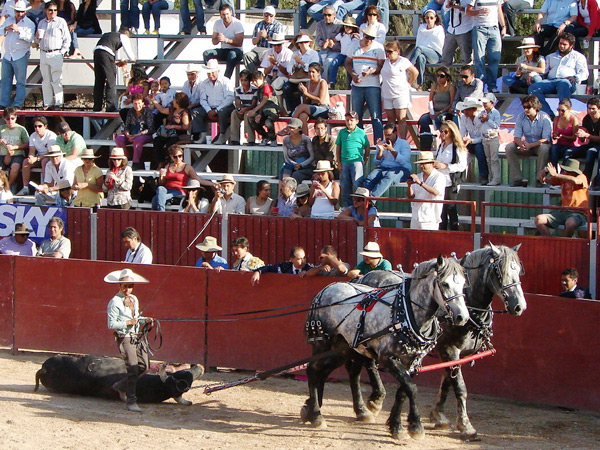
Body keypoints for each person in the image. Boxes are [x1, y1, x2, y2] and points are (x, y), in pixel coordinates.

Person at [105, 268, 153, 412]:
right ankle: (131, 401)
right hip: (124, 337)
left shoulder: (134, 299)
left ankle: (120, 386)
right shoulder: (114, 302)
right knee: (132, 367)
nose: (127, 289)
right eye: (125, 286)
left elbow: (136, 318)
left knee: (144, 366)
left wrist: (145, 320)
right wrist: (128, 323)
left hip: (135, 336)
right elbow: (111, 324)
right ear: (119, 286)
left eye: (130, 286)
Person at [528, 33, 589, 119]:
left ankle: (563, 115)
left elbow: (584, 73)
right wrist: (533, 73)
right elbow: (543, 71)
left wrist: (575, 77)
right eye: (560, 43)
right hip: (551, 81)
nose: (561, 46)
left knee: (563, 83)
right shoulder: (550, 56)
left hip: (567, 81)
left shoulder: (578, 57)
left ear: (571, 46)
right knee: (533, 87)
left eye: (564, 44)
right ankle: (549, 115)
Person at [345, 24, 385, 142]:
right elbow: (347, 62)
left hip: (373, 85)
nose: (369, 40)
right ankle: (359, 141)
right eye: (367, 37)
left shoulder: (378, 48)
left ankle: (378, 143)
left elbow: (381, 67)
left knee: (375, 115)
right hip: (357, 85)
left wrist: (373, 71)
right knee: (356, 116)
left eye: (372, 38)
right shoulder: (354, 45)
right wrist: (353, 74)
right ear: (363, 35)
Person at [505, 95, 552, 187]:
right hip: (527, 146)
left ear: (535, 107)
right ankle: (517, 179)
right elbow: (517, 136)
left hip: (538, 146)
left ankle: (540, 179)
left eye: (528, 107)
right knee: (509, 147)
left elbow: (546, 139)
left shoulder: (545, 117)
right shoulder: (520, 117)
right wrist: (521, 144)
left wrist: (530, 145)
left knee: (544, 148)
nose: (525, 109)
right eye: (524, 107)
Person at [152, 145, 215, 211]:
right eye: (175, 157)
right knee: (160, 189)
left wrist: (213, 184)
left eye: (180, 156)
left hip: (179, 191)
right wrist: (162, 176)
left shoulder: (187, 167)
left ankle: (160, 214)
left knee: (155, 199)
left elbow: (198, 179)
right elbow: (161, 183)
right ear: (171, 156)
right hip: (166, 190)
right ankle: (161, 213)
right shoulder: (168, 166)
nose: (178, 159)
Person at [535, 160, 588, 237]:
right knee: (539, 219)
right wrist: (543, 174)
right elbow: (544, 181)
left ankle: (564, 244)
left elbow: (576, 181)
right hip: (563, 211)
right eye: (565, 170)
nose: (565, 172)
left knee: (570, 223)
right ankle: (549, 242)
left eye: (568, 171)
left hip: (579, 212)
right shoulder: (562, 176)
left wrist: (556, 175)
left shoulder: (582, 177)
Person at [36, 2, 70, 110]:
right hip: (43, 52)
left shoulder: (60, 22)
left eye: (55, 10)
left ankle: (58, 103)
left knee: (57, 79)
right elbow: (36, 40)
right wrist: (37, 38)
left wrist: (62, 51)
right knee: (46, 79)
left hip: (56, 52)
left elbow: (67, 38)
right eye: (50, 10)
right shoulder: (41, 23)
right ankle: (48, 102)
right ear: (46, 10)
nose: (53, 12)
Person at [434, 120, 468, 230]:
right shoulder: (440, 146)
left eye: (446, 131)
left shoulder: (457, 147)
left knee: (451, 209)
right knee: (440, 211)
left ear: (452, 132)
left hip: (450, 182)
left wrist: (446, 166)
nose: (442, 134)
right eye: (441, 131)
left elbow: (462, 165)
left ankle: (454, 233)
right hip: (439, 181)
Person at [0, 0, 34, 108]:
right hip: (8, 54)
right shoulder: (9, 20)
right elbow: (1, 30)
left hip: (20, 54)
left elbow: (30, 39)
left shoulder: (29, 24)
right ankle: (3, 103)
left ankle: (18, 104)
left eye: (22, 12)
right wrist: (6, 28)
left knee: (20, 82)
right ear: (14, 11)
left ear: (25, 12)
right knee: (5, 81)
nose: (19, 14)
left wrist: (18, 30)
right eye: (18, 11)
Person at [93, 26, 135, 112]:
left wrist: (114, 62)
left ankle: (97, 106)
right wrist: (134, 60)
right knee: (111, 80)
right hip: (106, 53)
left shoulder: (109, 35)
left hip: (97, 52)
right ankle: (110, 106)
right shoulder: (123, 36)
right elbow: (129, 53)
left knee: (99, 81)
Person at [466, 0, 506, 93]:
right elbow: (468, 11)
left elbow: (499, 10)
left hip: (494, 28)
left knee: (495, 58)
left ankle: (492, 85)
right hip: (480, 28)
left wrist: (503, 26)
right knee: (479, 58)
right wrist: (479, 12)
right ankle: (481, 85)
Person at [363, 123, 411, 198]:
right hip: (384, 168)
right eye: (385, 135)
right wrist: (380, 151)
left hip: (401, 169)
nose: (387, 137)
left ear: (395, 133)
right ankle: (363, 198)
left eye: (389, 135)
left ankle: (371, 199)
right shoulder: (382, 143)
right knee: (370, 177)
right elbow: (376, 162)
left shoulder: (404, 143)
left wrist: (391, 150)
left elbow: (404, 161)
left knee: (389, 175)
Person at [381, 40, 417, 140]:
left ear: (397, 51)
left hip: (400, 93)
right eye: (387, 51)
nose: (388, 54)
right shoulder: (386, 61)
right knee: (390, 119)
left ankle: (402, 140)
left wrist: (409, 83)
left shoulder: (403, 61)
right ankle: (391, 138)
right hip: (387, 93)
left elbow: (414, 72)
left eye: (390, 51)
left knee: (401, 118)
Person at [194, 59, 234, 145]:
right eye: (209, 73)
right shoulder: (204, 83)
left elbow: (229, 98)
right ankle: (202, 134)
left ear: (218, 71)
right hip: (210, 107)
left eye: (213, 72)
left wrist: (216, 110)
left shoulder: (226, 81)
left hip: (224, 107)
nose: (211, 75)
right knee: (196, 112)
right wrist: (208, 110)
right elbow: (203, 99)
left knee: (222, 112)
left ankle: (222, 135)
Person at [336, 111, 371, 206]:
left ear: (357, 121)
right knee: (345, 185)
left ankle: (358, 205)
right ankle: (347, 206)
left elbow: (367, 146)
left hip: (356, 161)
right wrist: (338, 162)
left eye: (351, 120)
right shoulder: (342, 132)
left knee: (357, 184)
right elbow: (338, 147)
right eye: (347, 120)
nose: (349, 122)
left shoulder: (361, 133)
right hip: (344, 161)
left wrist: (366, 158)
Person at [281, 33, 320, 115]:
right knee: (286, 87)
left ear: (309, 43)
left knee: (301, 90)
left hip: (309, 79)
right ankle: (292, 111)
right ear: (298, 44)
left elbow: (314, 68)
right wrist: (294, 66)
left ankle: (302, 110)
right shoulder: (294, 54)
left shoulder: (314, 53)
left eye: (306, 42)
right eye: (301, 43)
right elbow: (289, 69)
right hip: (296, 79)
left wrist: (301, 62)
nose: (304, 44)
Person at [202, 4, 244, 79]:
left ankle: (225, 80)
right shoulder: (217, 23)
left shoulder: (237, 23)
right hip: (224, 51)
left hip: (237, 51)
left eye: (227, 14)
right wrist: (218, 38)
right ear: (220, 15)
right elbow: (214, 42)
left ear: (231, 12)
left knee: (232, 54)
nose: (226, 17)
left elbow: (239, 43)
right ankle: (212, 75)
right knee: (206, 53)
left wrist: (226, 40)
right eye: (223, 15)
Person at [407, 151, 446, 230]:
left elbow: (436, 192)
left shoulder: (439, 177)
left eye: (424, 163)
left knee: (429, 242)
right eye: (420, 164)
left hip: (430, 218)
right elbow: (411, 196)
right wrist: (409, 186)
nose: (422, 166)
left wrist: (420, 183)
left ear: (431, 163)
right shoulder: (418, 176)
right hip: (416, 216)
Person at [19, 116, 57, 196]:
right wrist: (31, 157)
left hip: (49, 157)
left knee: (44, 162)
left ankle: (46, 187)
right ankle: (25, 188)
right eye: (35, 126)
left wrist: (37, 158)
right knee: (26, 161)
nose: (37, 128)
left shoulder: (51, 136)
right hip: (38, 157)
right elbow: (32, 150)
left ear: (45, 126)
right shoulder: (33, 136)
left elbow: (50, 153)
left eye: (40, 126)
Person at [150, 91, 190, 169]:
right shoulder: (172, 110)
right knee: (157, 141)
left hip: (178, 133)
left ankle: (170, 161)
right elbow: (161, 110)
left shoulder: (184, 113)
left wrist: (173, 126)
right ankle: (160, 162)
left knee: (170, 143)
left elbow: (186, 126)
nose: (173, 100)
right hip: (168, 133)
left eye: (174, 99)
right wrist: (153, 101)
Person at [565, 97, 600, 184]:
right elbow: (583, 139)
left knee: (590, 152)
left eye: (593, 109)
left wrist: (586, 135)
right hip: (590, 144)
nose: (591, 111)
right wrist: (580, 135)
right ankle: (565, 179)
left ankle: (586, 181)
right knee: (569, 151)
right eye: (589, 108)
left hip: (598, 146)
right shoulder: (587, 118)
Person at [115, 93, 155, 170]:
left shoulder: (148, 111)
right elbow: (126, 126)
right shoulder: (130, 111)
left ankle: (136, 162)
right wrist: (127, 135)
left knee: (137, 140)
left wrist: (138, 135)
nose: (137, 106)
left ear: (143, 103)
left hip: (144, 134)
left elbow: (150, 128)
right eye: (135, 103)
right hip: (132, 133)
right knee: (119, 138)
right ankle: (125, 159)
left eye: (139, 103)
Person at [410, 10, 444, 90]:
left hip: (435, 54)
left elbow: (439, 44)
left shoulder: (439, 29)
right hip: (423, 53)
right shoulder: (421, 28)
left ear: (435, 18)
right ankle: (420, 84)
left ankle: (409, 67)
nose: (429, 20)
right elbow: (419, 40)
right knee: (420, 58)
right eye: (427, 18)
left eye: (431, 18)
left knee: (419, 48)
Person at [292, 62, 330, 135]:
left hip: (323, 108)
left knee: (301, 107)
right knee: (302, 115)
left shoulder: (322, 82)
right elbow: (307, 102)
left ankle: (289, 126)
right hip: (312, 108)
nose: (310, 74)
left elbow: (320, 100)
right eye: (309, 72)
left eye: (313, 72)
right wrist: (304, 93)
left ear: (318, 73)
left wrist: (306, 93)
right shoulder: (308, 83)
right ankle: (305, 139)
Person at [244, 6, 283, 74]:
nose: (268, 17)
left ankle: (266, 78)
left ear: (274, 16)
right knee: (247, 56)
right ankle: (255, 76)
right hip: (259, 50)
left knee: (269, 57)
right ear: (263, 15)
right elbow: (254, 42)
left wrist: (267, 36)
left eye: (271, 15)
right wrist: (258, 36)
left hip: (271, 50)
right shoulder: (258, 25)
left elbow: (278, 42)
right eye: (266, 15)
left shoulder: (278, 26)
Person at [418, 66, 456, 136]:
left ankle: (443, 136)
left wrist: (439, 112)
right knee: (423, 119)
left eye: (442, 76)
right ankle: (426, 138)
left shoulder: (451, 87)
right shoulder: (434, 87)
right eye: (437, 76)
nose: (439, 78)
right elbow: (430, 101)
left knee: (440, 119)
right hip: (434, 111)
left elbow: (451, 103)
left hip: (445, 112)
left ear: (447, 77)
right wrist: (431, 112)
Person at [458, 97, 489, 184]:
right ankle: (459, 175)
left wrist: (470, 140)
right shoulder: (463, 118)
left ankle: (484, 176)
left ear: (474, 109)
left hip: (483, 142)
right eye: (464, 110)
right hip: (472, 141)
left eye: (467, 109)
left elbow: (484, 136)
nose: (465, 112)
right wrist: (463, 140)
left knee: (479, 148)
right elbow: (462, 132)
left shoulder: (482, 117)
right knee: (460, 149)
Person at [247, 70, 280, 146]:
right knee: (252, 119)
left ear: (262, 78)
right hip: (264, 112)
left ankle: (273, 138)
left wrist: (254, 110)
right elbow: (261, 103)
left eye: (256, 80)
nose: (255, 83)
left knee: (268, 122)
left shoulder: (267, 87)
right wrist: (259, 114)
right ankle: (265, 136)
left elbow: (265, 100)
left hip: (272, 111)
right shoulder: (259, 90)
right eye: (253, 81)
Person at [0, 107, 29, 193]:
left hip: (17, 154)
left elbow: (27, 144)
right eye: (8, 119)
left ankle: (8, 186)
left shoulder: (21, 129)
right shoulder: (1, 128)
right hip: (2, 154)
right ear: (4, 118)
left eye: (12, 118)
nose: (10, 121)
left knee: (15, 167)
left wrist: (15, 147)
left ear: (16, 117)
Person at [440, 0, 473, 68]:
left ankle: (466, 76)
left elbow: (471, 11)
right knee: (445, 56)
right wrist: (449, 4)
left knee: (466, 58)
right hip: (451, 29)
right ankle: (443, 76)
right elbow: (445, 8)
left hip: (465, 29)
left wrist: (460, 7)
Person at [315, 5, 342, 88]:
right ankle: (314, 84)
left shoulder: (340, 25)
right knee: (313, 60)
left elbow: (342, 43)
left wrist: (331, 45)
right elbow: (317, 40)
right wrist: (323, 44)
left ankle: (324, 85)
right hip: (323, 50)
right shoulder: (320, 24)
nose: (327, 17)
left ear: (335, 15)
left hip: (335, 51)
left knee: (328, 62)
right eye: (325, 15)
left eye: (329, 15)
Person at [281, 118, 315, 183]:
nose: (290, 130)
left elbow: (312, 156)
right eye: (289, 127)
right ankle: (283, 191)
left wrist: (301, 165)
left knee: (294, 174)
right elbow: (286, 157)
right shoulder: (286, 140)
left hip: (306, 166)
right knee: (284, 172)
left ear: (299, 128)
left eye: (293, 128)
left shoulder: (306, 139)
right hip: (292, 164)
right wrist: (295, 164)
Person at [229, 69, 258, 146]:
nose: (243, 82)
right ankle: (234, 139)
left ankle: (250, 139)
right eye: (241, 80)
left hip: (251, 110)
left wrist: (245, 109)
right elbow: (238, 103)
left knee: (247, 114)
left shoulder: (255, 90)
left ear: (249, 81)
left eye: (245, 80)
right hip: (243, 108)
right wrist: (239, 109)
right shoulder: (238, 90)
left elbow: (253, 104)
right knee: (234, 113)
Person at [480, 92, 502, 186]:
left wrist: (487, 119)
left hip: (493, 138)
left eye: (486, 102)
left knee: (494, 159)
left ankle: (496, 179)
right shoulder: (482, 112)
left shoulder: (496, 113)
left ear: (492, 102)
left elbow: (496, 126)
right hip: (485, 138)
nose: (484, 104)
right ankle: (491, 178)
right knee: (488, 159)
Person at [550, 98, 579, 166]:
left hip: (570, 145)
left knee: (567, 152)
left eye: (563, 110)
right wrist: (555, 135)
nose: (560, 112)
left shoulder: (573, 120)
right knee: (553, 148)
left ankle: (563, 172)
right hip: (560, 144)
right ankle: (554, 171)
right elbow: (554, 135)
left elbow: (574, 138)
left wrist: (563, 136)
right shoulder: (556, 119)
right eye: (558, 110)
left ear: (569, 110)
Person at [333, 16, 360, 88]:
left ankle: (349, 83)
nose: (347, 29)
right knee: (334, 63)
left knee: (349, 66)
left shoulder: (356, 37)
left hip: (351, 56)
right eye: (346, 27)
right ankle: (332, 81)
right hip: (342, 54)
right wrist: (330, 42)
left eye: (349, 27)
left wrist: (359, 38)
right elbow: (334, 40)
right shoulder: (341, 35)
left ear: (353, 28)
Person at [182, 64, 203, 140]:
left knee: (194, 112)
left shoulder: (202, 84)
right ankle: (182, 134)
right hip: (189, 106)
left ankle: (196, 134)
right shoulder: (186, 84)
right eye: (188, 74)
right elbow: (184, 96)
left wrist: (193, 105)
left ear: (197, 73)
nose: (190, 76)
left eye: (192, 74)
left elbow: (203, 100)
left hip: (200, 106)